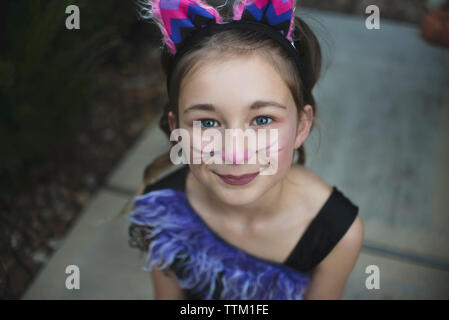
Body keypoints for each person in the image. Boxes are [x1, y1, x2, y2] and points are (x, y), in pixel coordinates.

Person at [126, 0, 364, 300]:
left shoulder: (336, 233)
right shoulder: (163, 210)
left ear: (301, 127)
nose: (235, 154)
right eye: (208, 122)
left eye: (262, 120)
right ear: (177, 130)